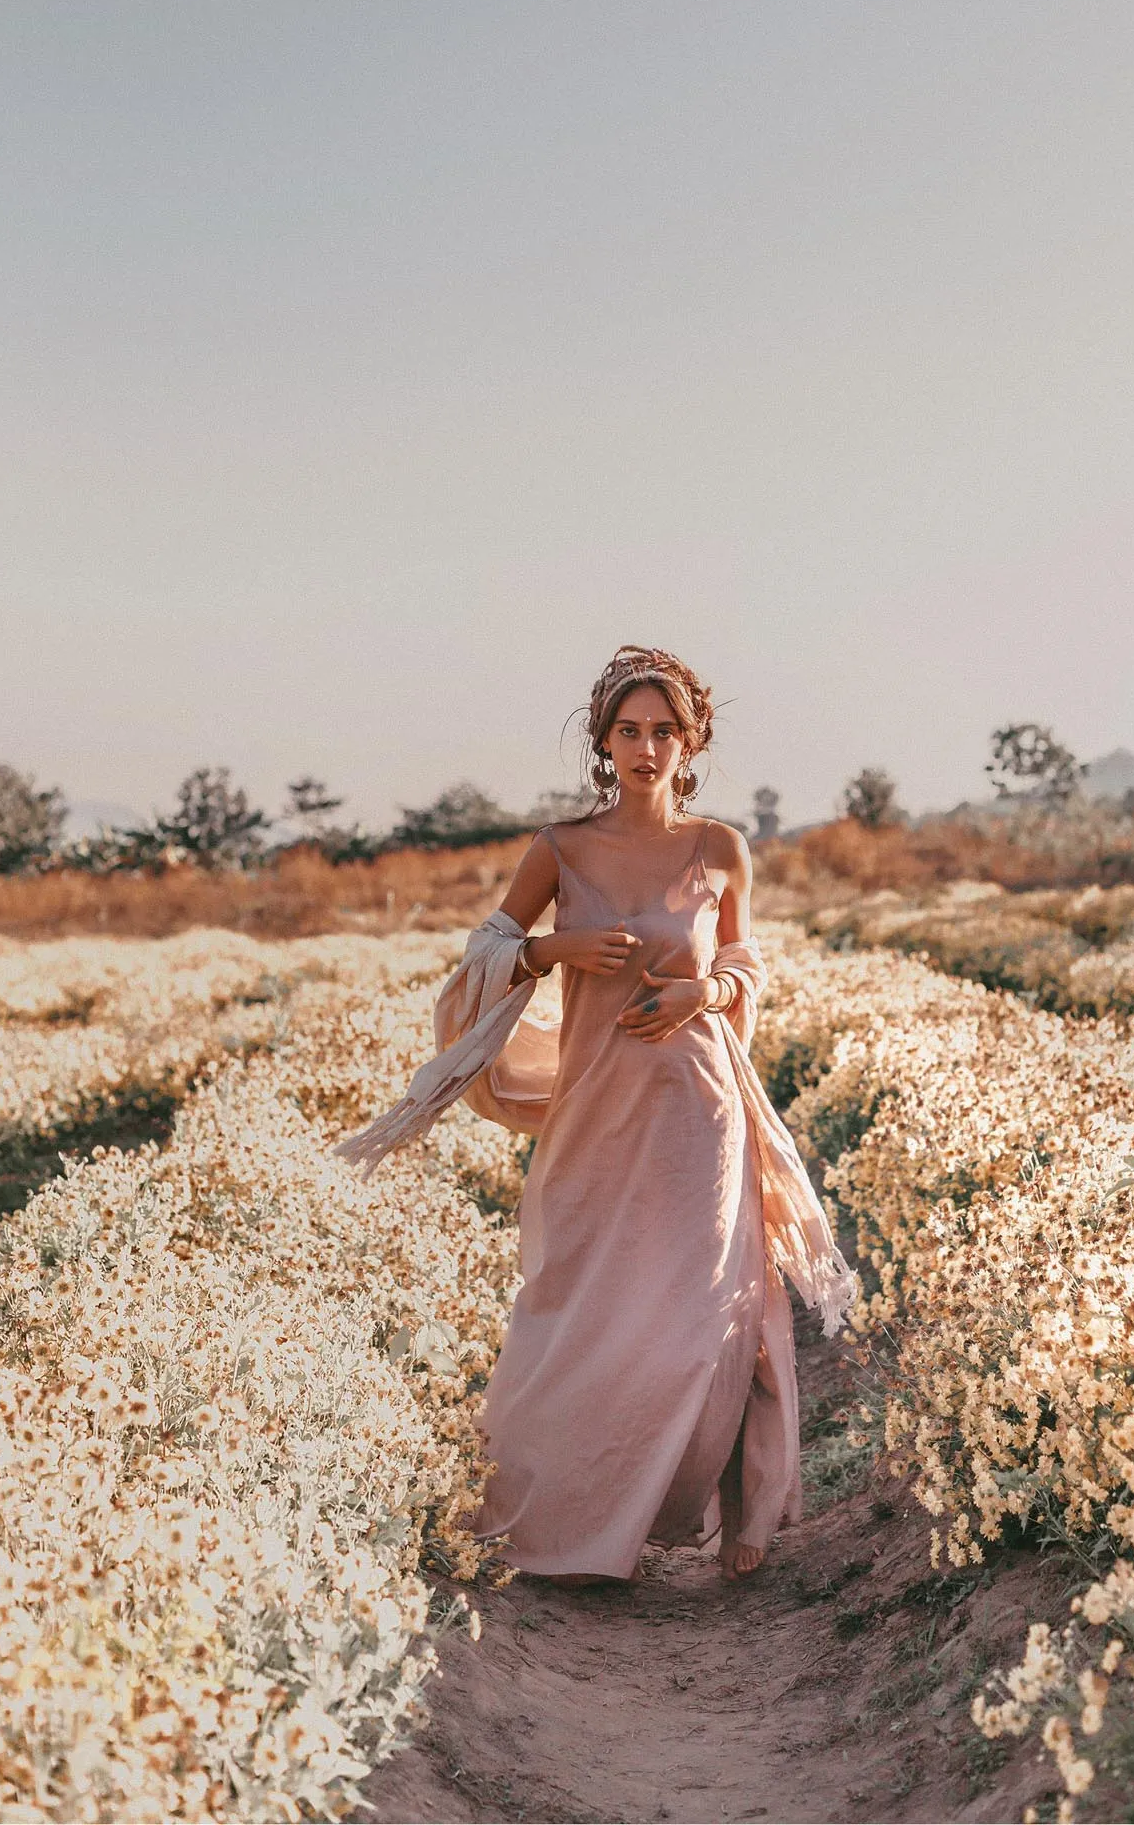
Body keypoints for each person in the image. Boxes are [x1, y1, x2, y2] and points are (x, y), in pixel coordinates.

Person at [334, 645, 854, 1586]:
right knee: (573, 1306)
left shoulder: (719, 848)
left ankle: (730, 1504)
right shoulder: (560, 849)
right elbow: (483, 953)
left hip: (698, 1107)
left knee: (704, 1307)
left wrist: (702, 993)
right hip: (595, 1106)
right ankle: (556, 1520)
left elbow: (744, 966)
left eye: (664, 731)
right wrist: (552, 948)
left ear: (689, 742)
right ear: (603, 741)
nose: (646, 748)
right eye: (629, 731)